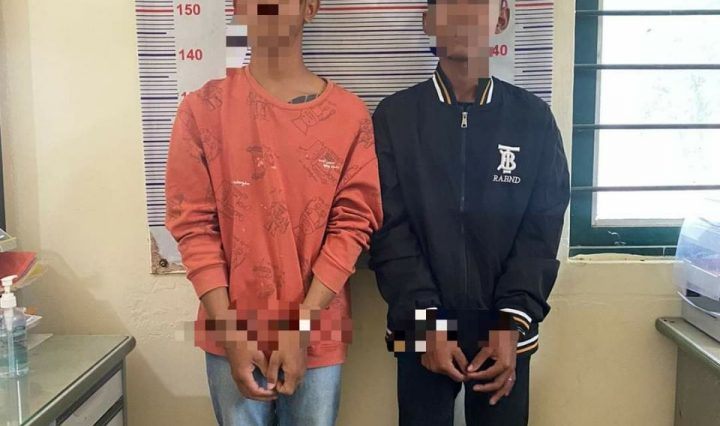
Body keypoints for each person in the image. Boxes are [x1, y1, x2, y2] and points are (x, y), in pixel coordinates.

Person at [165, 0, 383, 424]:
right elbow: (192, 227)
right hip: (230, 334)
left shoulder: (350, 115)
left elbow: (354, 226)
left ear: (309, 7)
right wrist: (229, 331)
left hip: (318, 336)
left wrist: (303, 326)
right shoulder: (201, 109)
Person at [369, 0, 569, 425]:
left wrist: (512, 320)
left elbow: (542, 228)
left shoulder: (533, 118)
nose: (462, 15)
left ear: (501, 17)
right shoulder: (393, 117)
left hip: (505, 328)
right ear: (428, 21)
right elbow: (386, 227)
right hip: (418, 324)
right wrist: (425, 321)